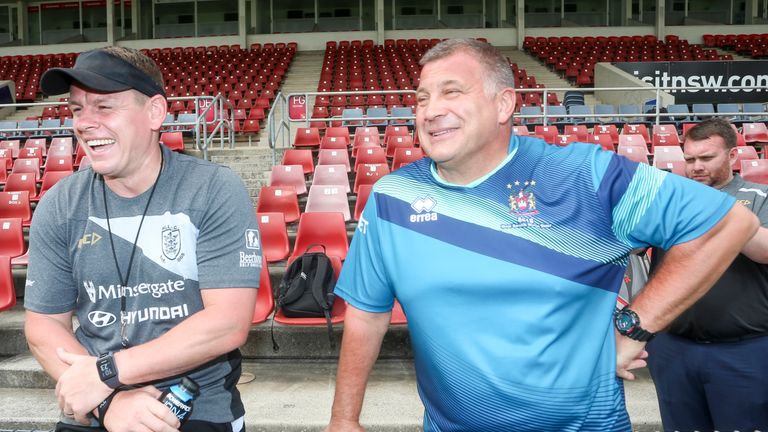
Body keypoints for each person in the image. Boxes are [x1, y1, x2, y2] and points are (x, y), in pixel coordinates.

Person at [325, 39, 758, 431]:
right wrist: (344, 418)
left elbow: (729, 224)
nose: (430, 109)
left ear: (504, 104)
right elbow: (367, 312)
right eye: (421, 98)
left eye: (451, 92)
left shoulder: (582, 174)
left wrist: (632, 330)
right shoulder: (392, 197)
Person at [24, 47, 260, 432]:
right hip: (95, 407)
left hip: (193, 407)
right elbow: (43, 324)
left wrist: (106, 373)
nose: (84, 123)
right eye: (77, 109)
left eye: (104, 107)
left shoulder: (213, 189)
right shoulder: (59, 204)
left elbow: (227, 322)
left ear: (155, 112)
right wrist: (109, 401)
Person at [646, 117, 768, 431]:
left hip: (743, 351)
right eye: (689, 159)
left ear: (731, 156)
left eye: (706, 158)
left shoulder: (758, 197)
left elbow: (765, 250)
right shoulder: (668, 200)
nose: (696, 167)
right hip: (673, 347)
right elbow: (628, 247)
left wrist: (708, 210)